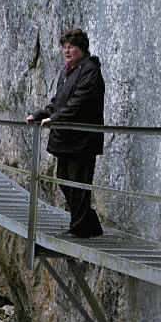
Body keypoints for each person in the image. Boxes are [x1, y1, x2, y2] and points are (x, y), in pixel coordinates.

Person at [26, 28, 104, 238]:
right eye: (65, 47)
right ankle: (88, 225)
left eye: (71, 47)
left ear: (82, 48)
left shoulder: (90, 69)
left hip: (82, 138)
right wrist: (39, 114)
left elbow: (81, 100)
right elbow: (59, 101)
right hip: (68, 138)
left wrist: (56, 119)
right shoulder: (68, 70)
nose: (67, 51)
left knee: (78, 182)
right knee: (64, 179)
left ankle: (81, 228)